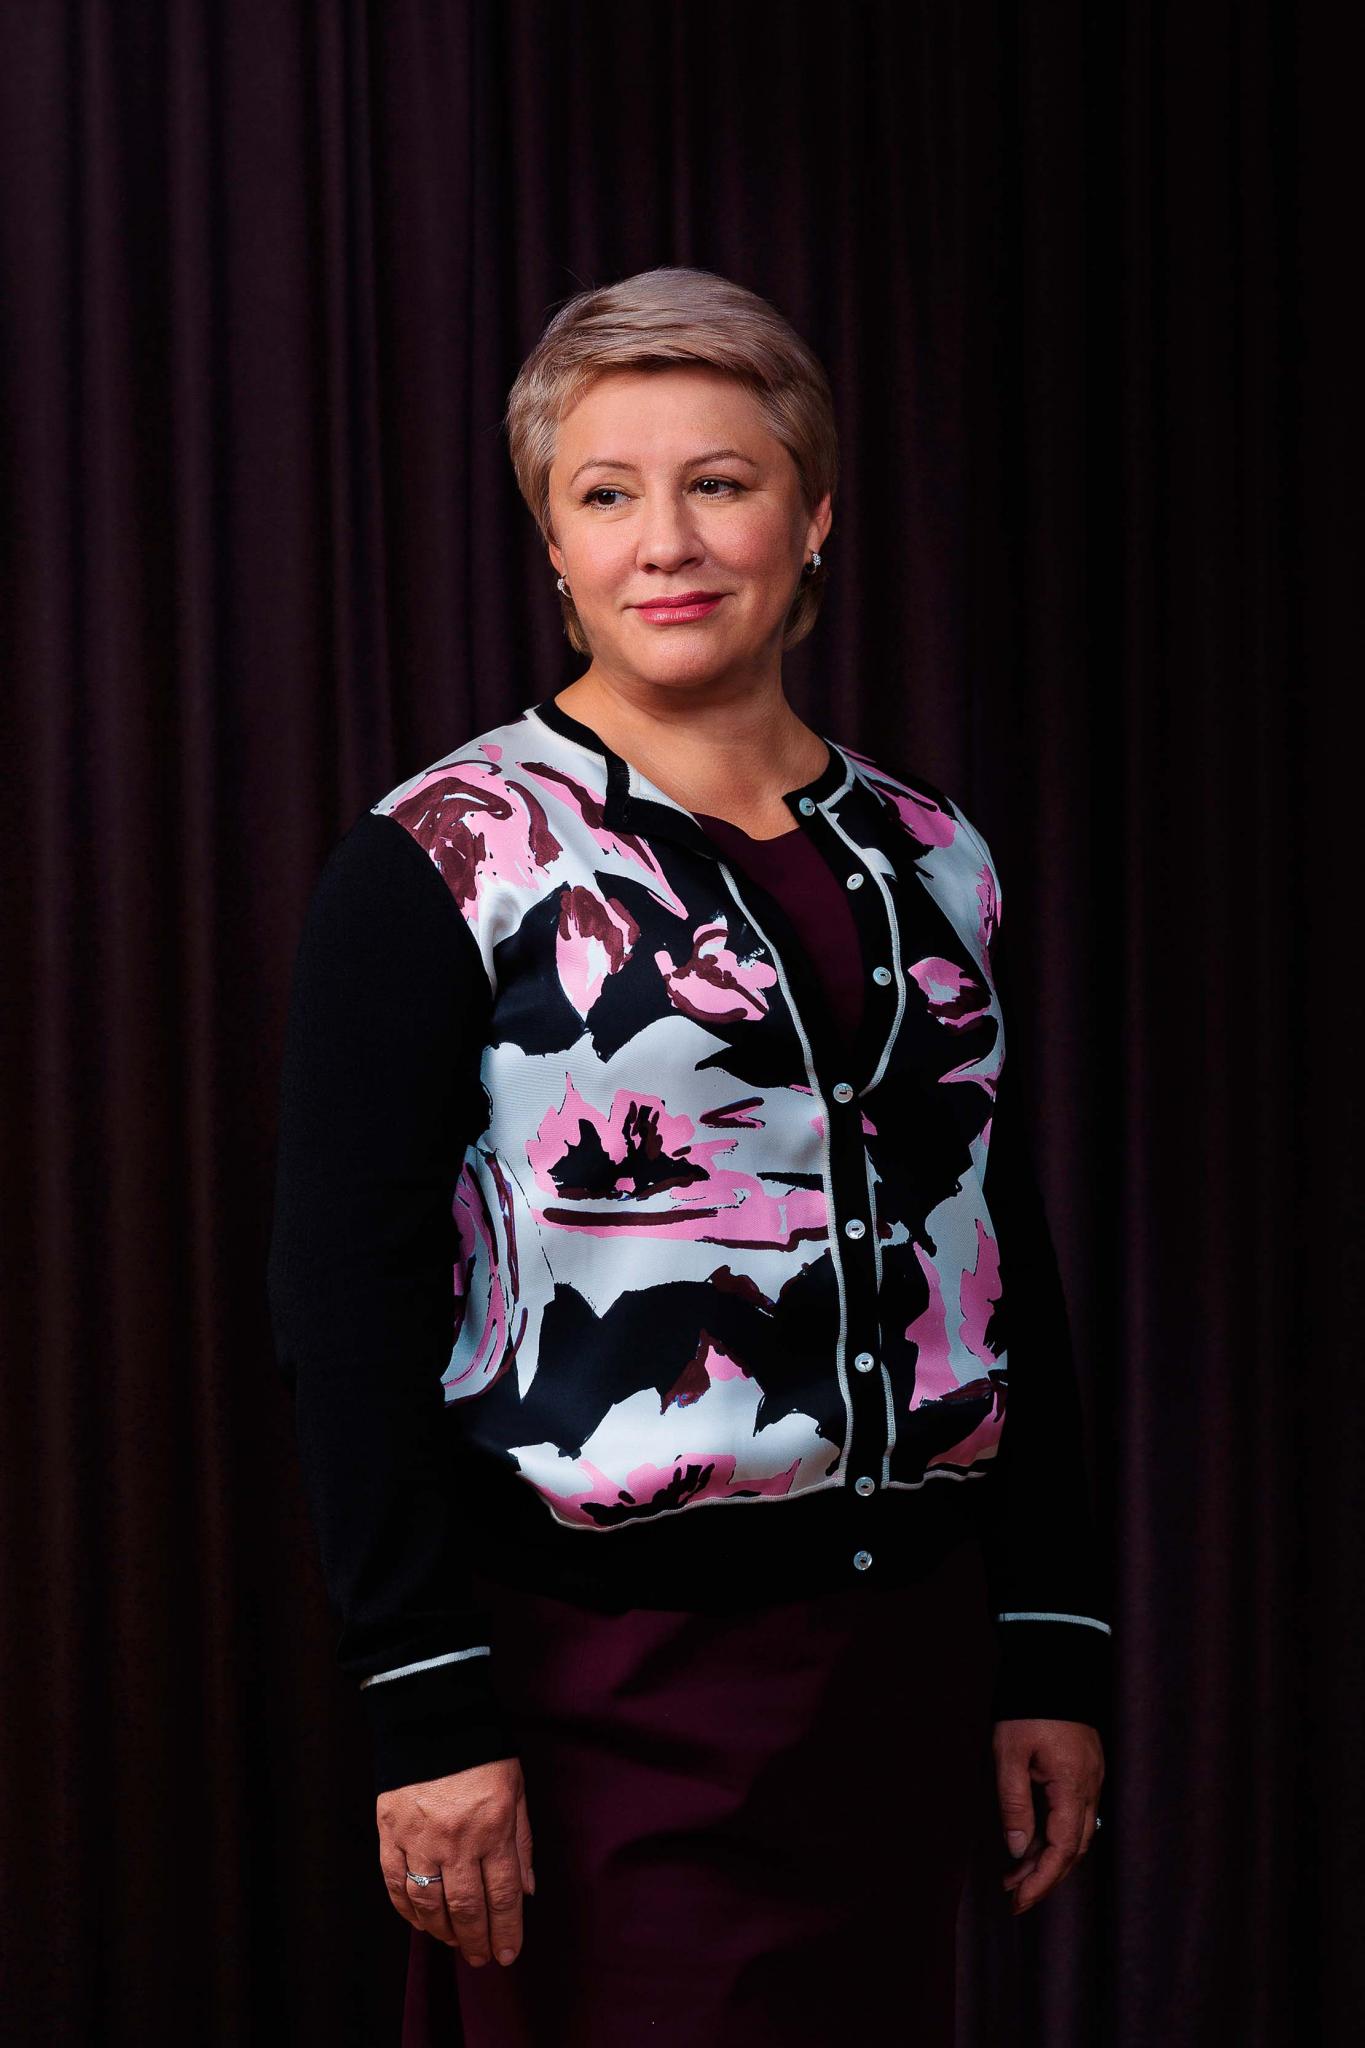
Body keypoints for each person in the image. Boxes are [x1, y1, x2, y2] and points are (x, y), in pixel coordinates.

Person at [266, 266, 1111, 2047]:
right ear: (553, 546)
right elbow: (341, 1307)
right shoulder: (446, 855)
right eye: (607, 493)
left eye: (719, 483)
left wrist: (1047, 1638)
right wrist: (426, 1700)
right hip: (598, 1683)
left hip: (903, 1671)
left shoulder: (931, 852)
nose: (666, 541)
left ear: (813, 520)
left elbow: (995, 1241)